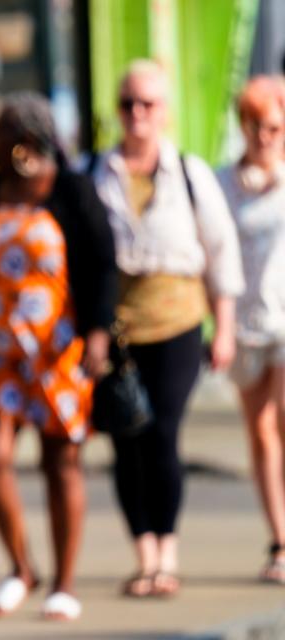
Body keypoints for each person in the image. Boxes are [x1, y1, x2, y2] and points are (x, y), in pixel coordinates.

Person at [0, 92, 118, 621]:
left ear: (21, 141)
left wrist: (99, 334)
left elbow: (103, 265)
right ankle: (21, 566)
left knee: (61, 461)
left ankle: (64, 582)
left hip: (59, 352)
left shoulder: (71, 189)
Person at [91, 60, 244, 598]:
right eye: (129, 103)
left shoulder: (188, 172)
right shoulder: (97, 171)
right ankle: (144, 555)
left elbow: (220, 251)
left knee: (161, 436)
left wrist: (222, 327)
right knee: (125, 440)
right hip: (117, 331)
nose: (137, 114)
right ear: (117, 110)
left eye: (148, 104)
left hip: (179, 322)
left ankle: (168, 553)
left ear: (164, 112)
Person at [217, 75, 285, 583]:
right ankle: (279, 540)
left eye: (275, 128)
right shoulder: (223, 183)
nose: (266, 137)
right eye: (257, 127)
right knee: (260, 434)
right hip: (245, 324)